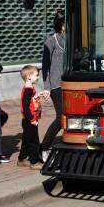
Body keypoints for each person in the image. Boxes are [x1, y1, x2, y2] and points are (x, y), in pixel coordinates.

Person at [40, 10, 65, 161]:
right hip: (57, 85)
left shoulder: (72, 39)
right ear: (61, 25)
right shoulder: (51, 41)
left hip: (70, 84)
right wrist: (47, 87)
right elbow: (45, 66)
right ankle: (44, 146)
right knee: (61, 117)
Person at [17, 65, 47, 170]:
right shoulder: (28, 90)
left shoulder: (30, 89)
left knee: (26, 140)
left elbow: (30, 101)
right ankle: (34, 162)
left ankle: (21, 159)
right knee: (34, 141)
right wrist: (32, 119)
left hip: (28, 119)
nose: (38, 77)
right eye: (36, 75)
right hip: (30, 119)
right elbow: (25, 107)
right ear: (29, 77)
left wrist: (38, 95)